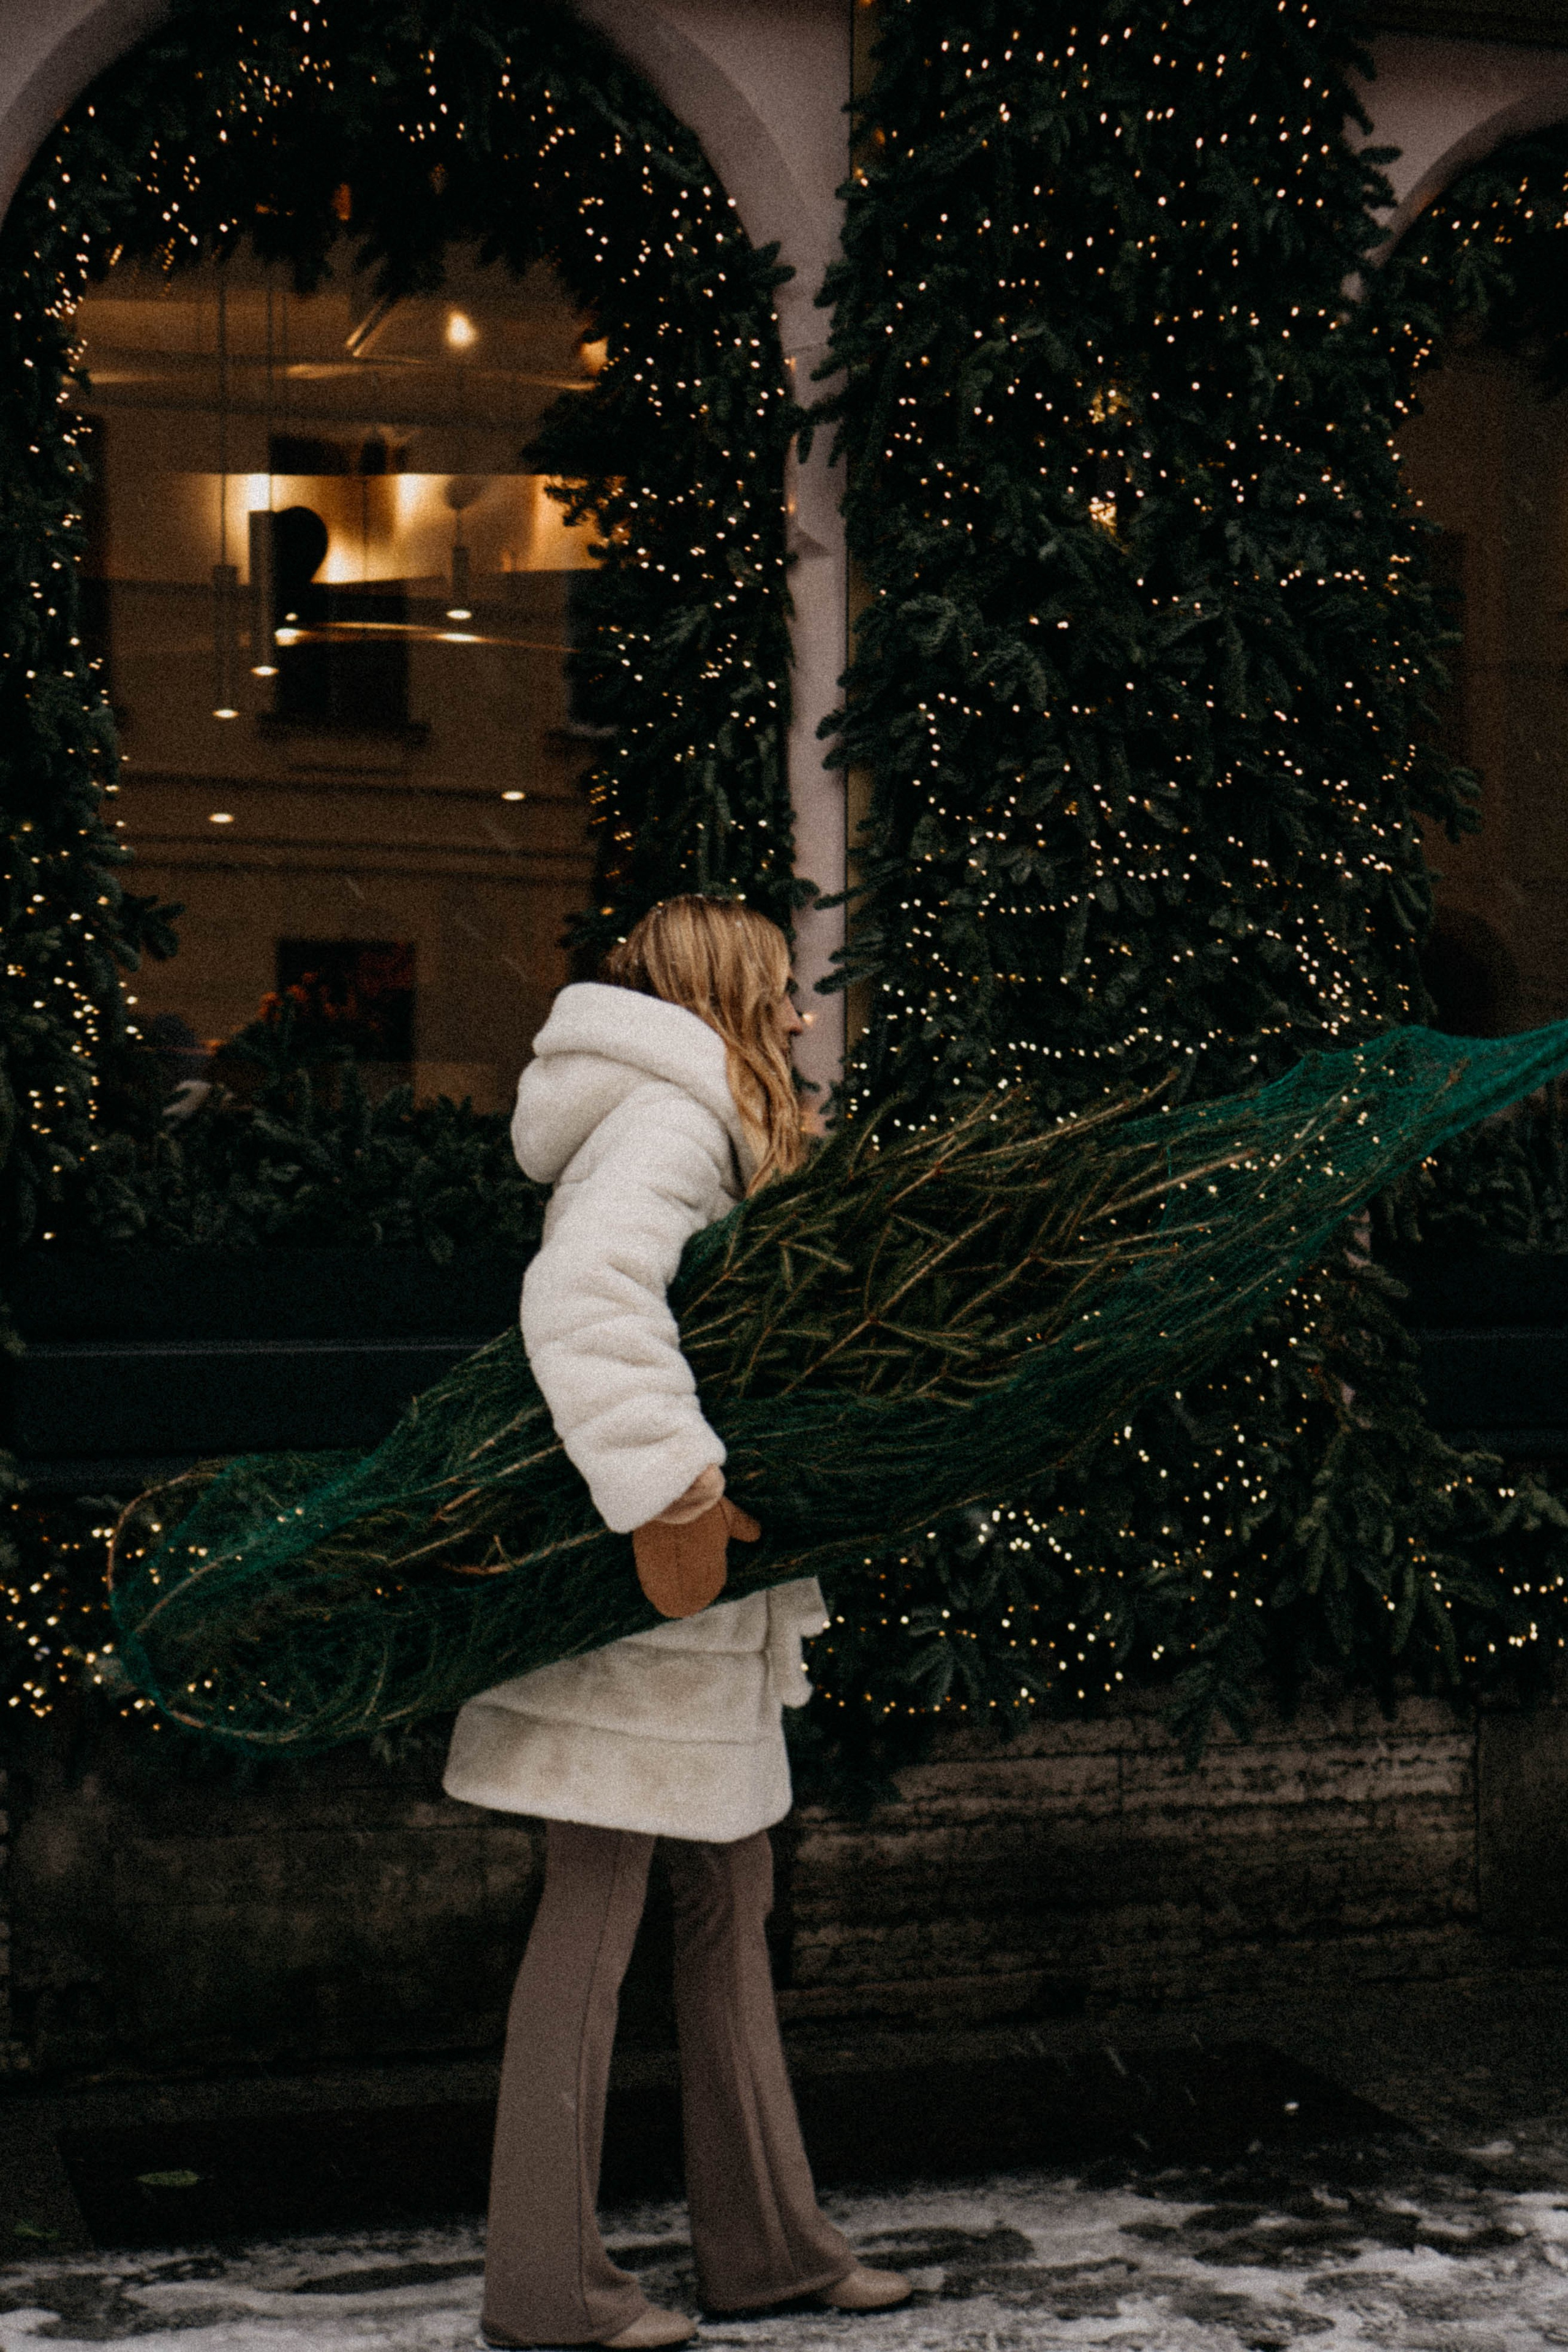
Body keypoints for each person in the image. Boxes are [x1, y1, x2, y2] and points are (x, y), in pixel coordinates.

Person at [442, 896, 912, 2351]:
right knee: (597, 1921)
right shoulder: (666, 1123)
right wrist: (676, 1486)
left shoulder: (694, 1118)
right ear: (723, 996)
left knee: (726, 1903)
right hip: (639, 1599)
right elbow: (583, 1300)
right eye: (777, 990)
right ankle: (545, 2287)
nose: (796, 1017)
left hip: (686, 1613)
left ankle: (765, 2243)